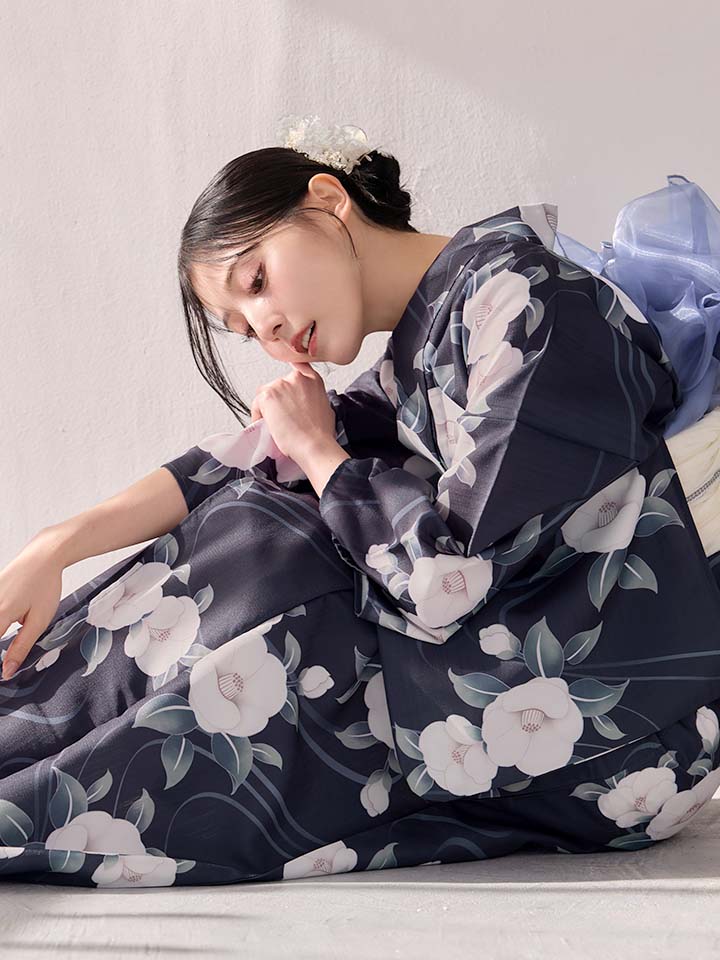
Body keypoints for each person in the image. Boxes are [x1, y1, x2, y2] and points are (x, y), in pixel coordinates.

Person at [2, 115, 720, 889]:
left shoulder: (529, 301)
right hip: (495, 712)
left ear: (327, 200)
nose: (269, 329)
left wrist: (320, 453)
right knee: (261, 508)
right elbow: (236, 460)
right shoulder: (427, 340)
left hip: (609, 733)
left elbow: (447, 584)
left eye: (257, 281)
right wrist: (57, 544)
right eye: (245, 330)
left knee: (286, 553)